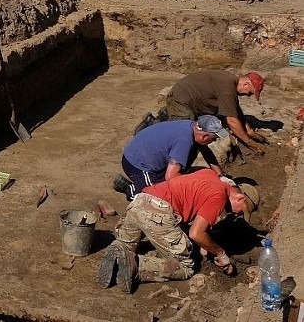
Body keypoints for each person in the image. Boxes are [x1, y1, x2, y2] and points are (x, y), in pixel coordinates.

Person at [98, 168, 259, 293]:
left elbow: (192, 209)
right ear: (240, 198)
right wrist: (220, 253)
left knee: (126, 245)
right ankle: (135, 266)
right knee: (186, 267)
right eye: (240, 210)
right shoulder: (219, 197)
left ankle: (120, 248)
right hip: (158, 213)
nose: (236, 214)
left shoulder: (209, 174)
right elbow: (196, 233)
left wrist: (206, 245)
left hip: (140, 201)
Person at [114, 115, 226, 201]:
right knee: (157, 199)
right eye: (214, 138)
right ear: (204, 136)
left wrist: (220, 176)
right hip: (138, 164)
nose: (215, 141)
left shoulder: (191, 126)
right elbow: (171, 176)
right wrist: (193, 187)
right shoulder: (185, 140)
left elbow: (207, 152)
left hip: (150, 156)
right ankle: (130, 189)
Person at [166, 70, 268, 153]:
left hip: (191, 100)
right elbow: (232, 121)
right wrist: (250, 143)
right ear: (245, 85)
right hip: (180, 100)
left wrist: (250, 131)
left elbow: (236, 110)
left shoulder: (231, 82)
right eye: (250, 92)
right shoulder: (228, 89)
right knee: (185, 136)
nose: (249, 95)